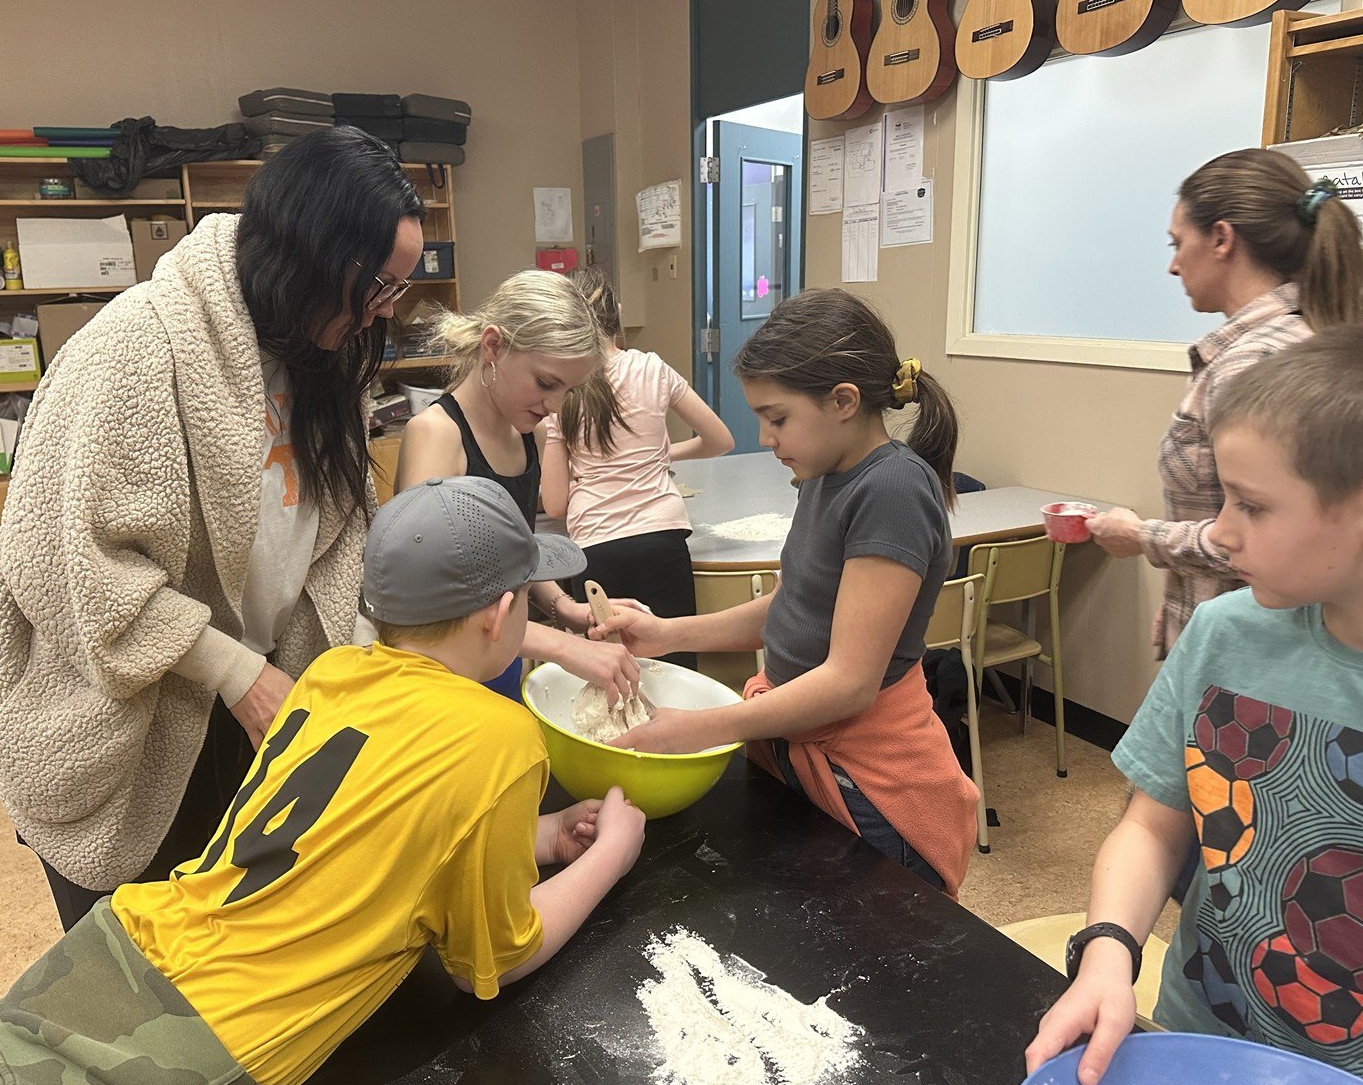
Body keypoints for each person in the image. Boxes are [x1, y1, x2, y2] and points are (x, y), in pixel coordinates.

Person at [0, 476, 648, 1085]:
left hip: (125, 944)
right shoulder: (499, 738)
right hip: (208, 1047)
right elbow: (494, 963)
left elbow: (367, 829)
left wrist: (537, 839)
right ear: (501, 612)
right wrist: (611, 854)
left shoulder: (335, 673)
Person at [0, 127, 426, 930]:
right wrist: (232, 669)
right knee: (129, 977)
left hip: (246, 708)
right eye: (379, 285)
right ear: (313, 253)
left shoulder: (323, 359)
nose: (387, 310)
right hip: (128, 721)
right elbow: (71, 570)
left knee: (227, 952)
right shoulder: (137, 346)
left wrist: (355, 657)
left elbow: (340, 535)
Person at [1025, 325, 1363, 1085]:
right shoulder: (1223, 634)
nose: (1221, 531)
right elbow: (1151, 826)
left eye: (1251, 505)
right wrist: (1109, 951)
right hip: (1200, 1041)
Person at [590, 290, 979, 896]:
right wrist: (667, 634)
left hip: (869, 777)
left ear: (844, 401)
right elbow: (794, 606)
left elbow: (850, 682)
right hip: (797, 743)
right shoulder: (823, 476)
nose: (767, 438)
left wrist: (703, 727)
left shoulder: (893, 491)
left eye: (777, 418)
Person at [1086, 149, 1363, 658]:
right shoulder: (1300, 339)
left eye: (1177, 244)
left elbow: (1265, 537)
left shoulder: (1254, 363)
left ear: (1221, 238)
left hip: (1255, 646)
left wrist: (1141, 536)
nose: (1172, 265)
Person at [396, 269, 641, 704]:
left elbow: (515, 554)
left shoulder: (531, 436)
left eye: (568, 391)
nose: (553, 406)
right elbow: (427, 601)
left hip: (505, 662)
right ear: (493, 346)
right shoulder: (436, 435)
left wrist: (568, 611)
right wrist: (563, 646)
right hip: (445, 685)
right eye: (546, 383)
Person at [540, 267, 734, 670]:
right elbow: (720, 440)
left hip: (595, 547)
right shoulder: (651, 368)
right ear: (619, 314)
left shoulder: (567, 386)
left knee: (608, 672)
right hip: (662, 538)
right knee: (674, 665)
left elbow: (554, 504)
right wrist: (665, 456)